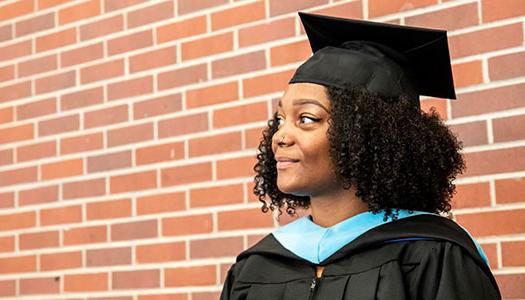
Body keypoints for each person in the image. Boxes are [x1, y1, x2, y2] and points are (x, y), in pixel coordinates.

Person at [219, 12, 501, 300]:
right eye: (279, 120)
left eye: (306, 118)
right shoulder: (254, 269)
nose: (280, 136)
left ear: (367, 135)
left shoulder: (433, 257)